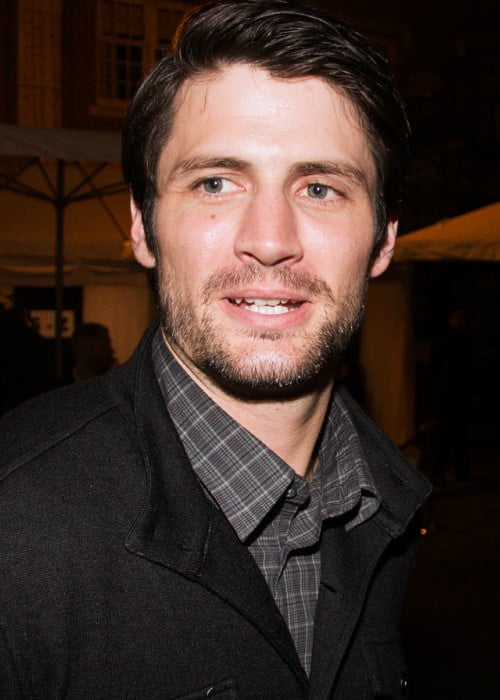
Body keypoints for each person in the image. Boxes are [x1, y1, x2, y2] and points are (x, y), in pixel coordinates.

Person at [0, 1, 430, 697]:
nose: (268, 237)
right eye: (216, 183)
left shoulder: (385, 509)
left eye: (320, 188)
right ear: (142, 227)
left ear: (382, 240)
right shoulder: (17, 530)